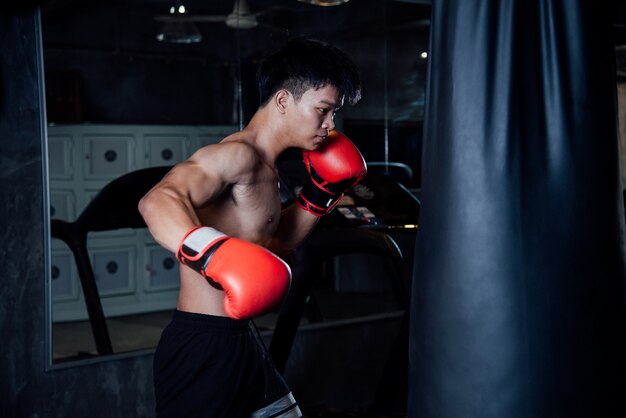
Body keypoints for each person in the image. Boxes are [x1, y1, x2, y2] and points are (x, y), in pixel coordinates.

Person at [138, 37, 366, 418]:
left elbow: (272, 245)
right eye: (323, 110)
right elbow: (157, 200)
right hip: (202, 347)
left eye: (334, 114)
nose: (330, 125)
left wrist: (320, 195)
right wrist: (213, 254)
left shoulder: (268, 167)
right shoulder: (236, 155)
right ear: (282, 101)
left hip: (242, 342)